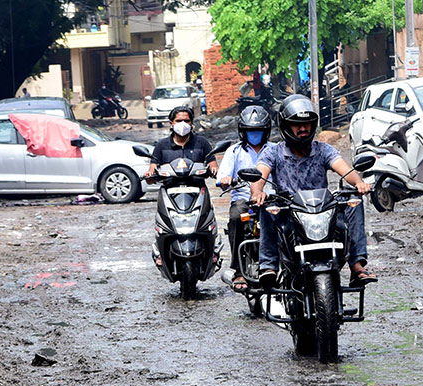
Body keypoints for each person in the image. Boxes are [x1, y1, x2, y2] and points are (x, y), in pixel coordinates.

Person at [249, 94, 374, 287]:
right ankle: (268, 266)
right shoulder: (273, 152)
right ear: (285, 126)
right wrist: (258, 191)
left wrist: (358, 182)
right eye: (296, 125)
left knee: (354, 202)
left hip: (323, 212)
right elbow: (260, 173)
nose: (303, 129)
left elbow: (344, 168)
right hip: (288, 213)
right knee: (267, 207)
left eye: (307, 124)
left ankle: (357, 265)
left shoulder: (323, 150)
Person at [217, 105, 273, 291]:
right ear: (243, 131)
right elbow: (223, 175)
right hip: (244, 200)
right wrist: (226, 180)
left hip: (271, 200)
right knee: (235, 218)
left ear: (266, 131)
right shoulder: (234, 151)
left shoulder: (275, 150)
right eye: (250, 130)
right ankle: (238, 270)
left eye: (258, 130)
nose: (254, 133)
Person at [146, 106, 218, 181]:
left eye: (186, 121)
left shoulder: (202, 143)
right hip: (169, 187)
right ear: (171, 123)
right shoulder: (162, 145)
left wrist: (214, 170)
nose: (183, 124)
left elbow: (212, 163)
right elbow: (153, 169)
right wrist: (150, 175)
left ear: (191, 123)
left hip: (197, 187)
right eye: (179, 121)